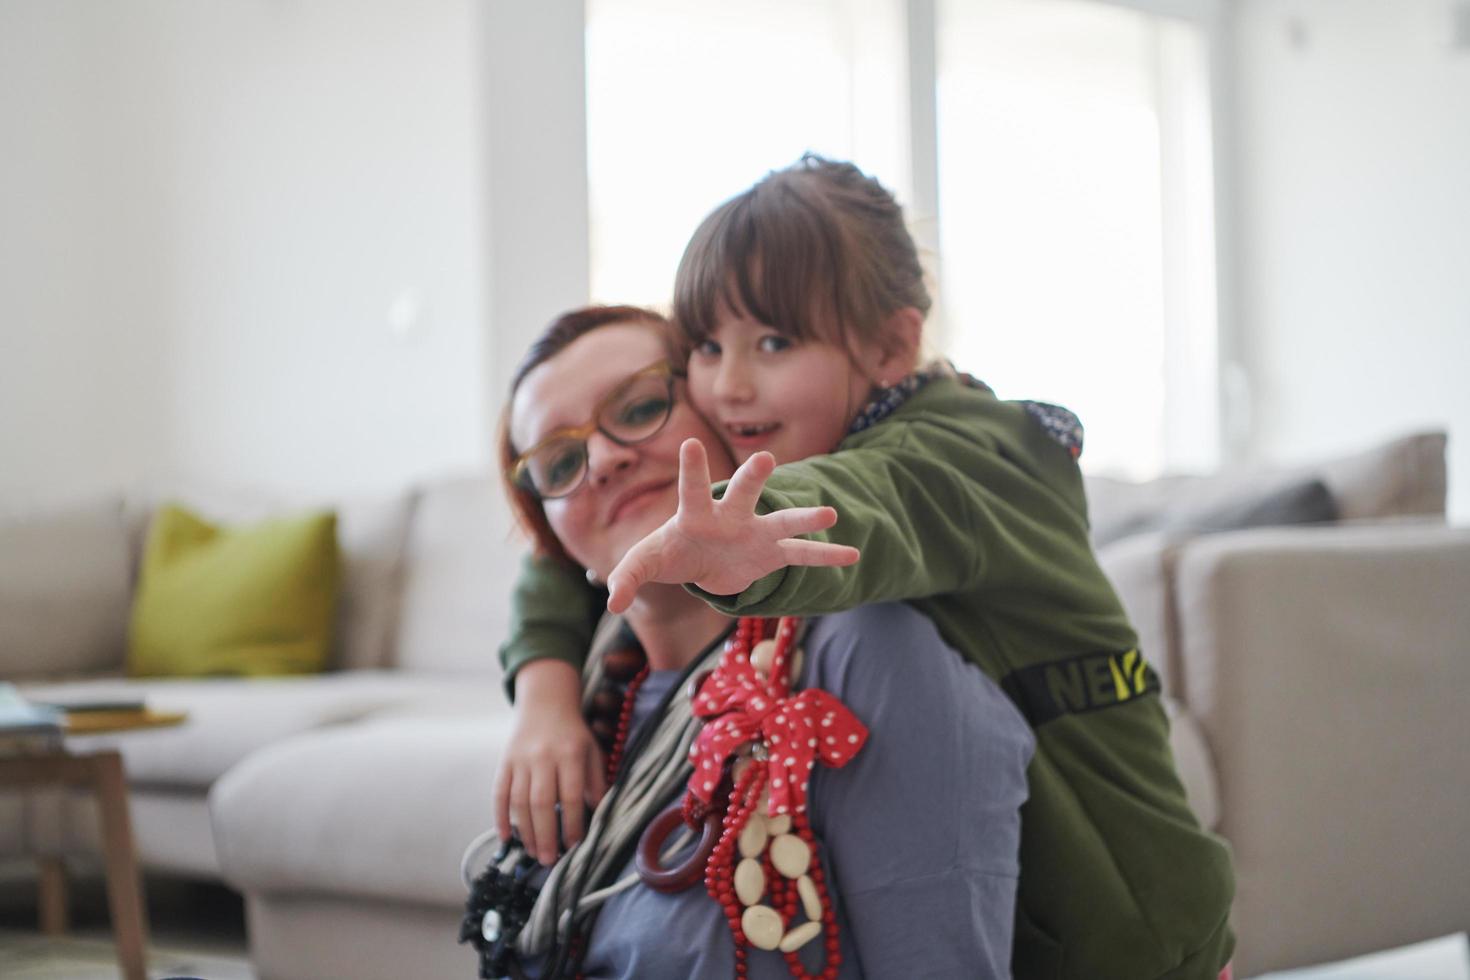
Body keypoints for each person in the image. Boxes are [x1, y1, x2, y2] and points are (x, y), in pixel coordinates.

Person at [495, 156, 1236, 979]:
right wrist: (543, 694)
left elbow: (870, 503)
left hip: (1133, 934)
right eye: (707, 346)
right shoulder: (766, 434)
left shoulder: (974, 454)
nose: (731, 383)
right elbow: (570, 551)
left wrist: (746, 540)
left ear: (893, 345)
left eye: (774, 342)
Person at [466, 305, 1034, 978]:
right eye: (561, 461)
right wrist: (542, 696)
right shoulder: (588, 692)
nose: (605, 459)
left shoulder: (863, 653)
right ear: (555, 536)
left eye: (642, 405)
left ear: (727, 412)